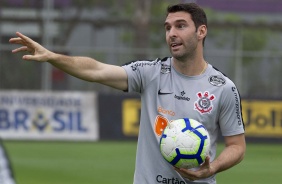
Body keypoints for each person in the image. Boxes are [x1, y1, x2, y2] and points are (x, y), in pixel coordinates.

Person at [9, 3, 246, 184]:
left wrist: (212, 168)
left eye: (180, 26)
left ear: (201, 31)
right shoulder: (150, 73)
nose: (171, 33)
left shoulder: (223, 87)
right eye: (167, 27)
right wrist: (52, 56)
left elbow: (237, 146)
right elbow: (96, 70)